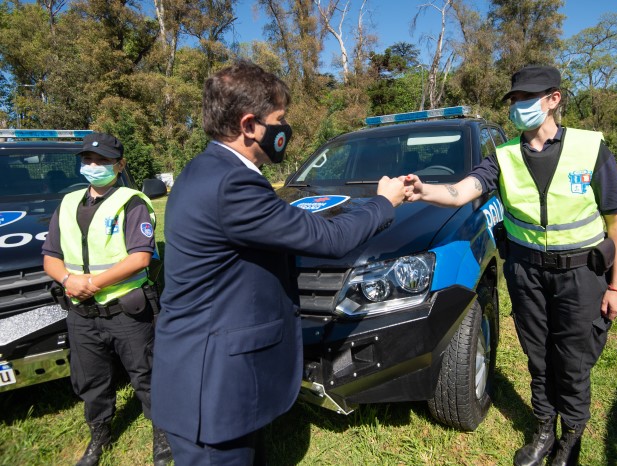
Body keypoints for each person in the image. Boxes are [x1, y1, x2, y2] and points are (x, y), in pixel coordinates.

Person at [151, 59, 405, 465]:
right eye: (279, 119)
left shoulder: (206, 169)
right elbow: (331, 239)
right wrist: (382, 202)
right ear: (250, 124)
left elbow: (281, 228)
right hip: (211, 389)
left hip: (208, 371)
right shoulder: (233, 184)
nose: (285, 129)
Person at [404, 65, 617, 466]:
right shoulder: (503, 156)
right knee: (539, 356)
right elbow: (461, 191)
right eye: (515, 100)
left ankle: (570, 441)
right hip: (527, 273)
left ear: (553, 99)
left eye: (527, 98)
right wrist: (424, 190)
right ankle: (544, 428)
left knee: (573, 361)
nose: (519, 107)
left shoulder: (590, 149)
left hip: (582, 274)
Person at [42, 132, 172, 466]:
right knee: (91, 380)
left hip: (127, 311)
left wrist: (92, 282)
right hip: (81, 312)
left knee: (146, 375)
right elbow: (50, 257)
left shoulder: (132, 202)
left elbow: (140, 257)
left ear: (120, 164)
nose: (94, 166)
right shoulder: (68, 203)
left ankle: (163, 436)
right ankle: (99, 435)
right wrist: (70, 280)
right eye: (88, 160)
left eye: (103, 161)